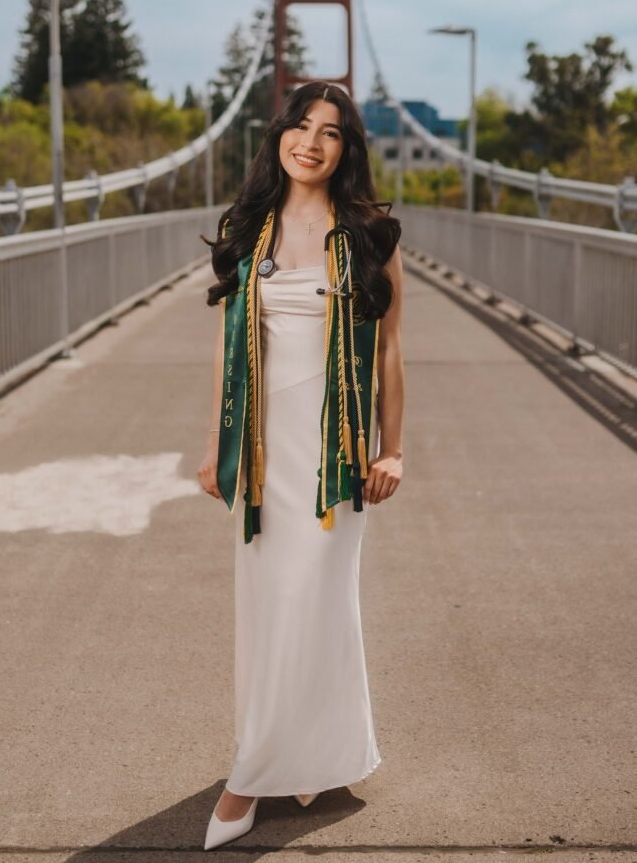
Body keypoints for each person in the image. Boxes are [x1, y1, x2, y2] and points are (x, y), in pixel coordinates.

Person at [197, 79, 404, 850]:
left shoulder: (369, 232)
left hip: (333, 456)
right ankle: (314, 755)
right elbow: (230, 350)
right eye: (298, 125)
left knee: (313, 598)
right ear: (277, 135)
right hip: (258, 453)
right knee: (266, 610)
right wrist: (216, 447)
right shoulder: (245, 227)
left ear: (346, 149)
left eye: (330, 131)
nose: (310, 142)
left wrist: (394, 449)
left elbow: (388, 349)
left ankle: (250, 774)